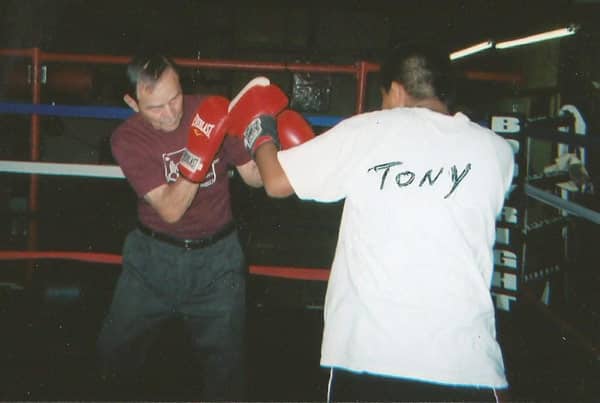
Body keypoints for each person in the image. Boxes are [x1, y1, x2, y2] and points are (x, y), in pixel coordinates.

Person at [235, 46, 515, 402]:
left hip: (367, 357)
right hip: (466, 365)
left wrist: (260, 127)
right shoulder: (497, 151)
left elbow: (274, 181)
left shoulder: (370, 130)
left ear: (396, 91)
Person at [96, 53, 263, 401]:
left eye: (175, 98)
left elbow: (254, 178)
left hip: (218, 263)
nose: (171, 113)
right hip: (152, 263)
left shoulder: (209, 110)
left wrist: (263, 138)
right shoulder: (127, 139)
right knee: (115, 356)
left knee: (227, 370)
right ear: (132, 102)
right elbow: (171, 209)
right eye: (155, 107)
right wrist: (199, 154)